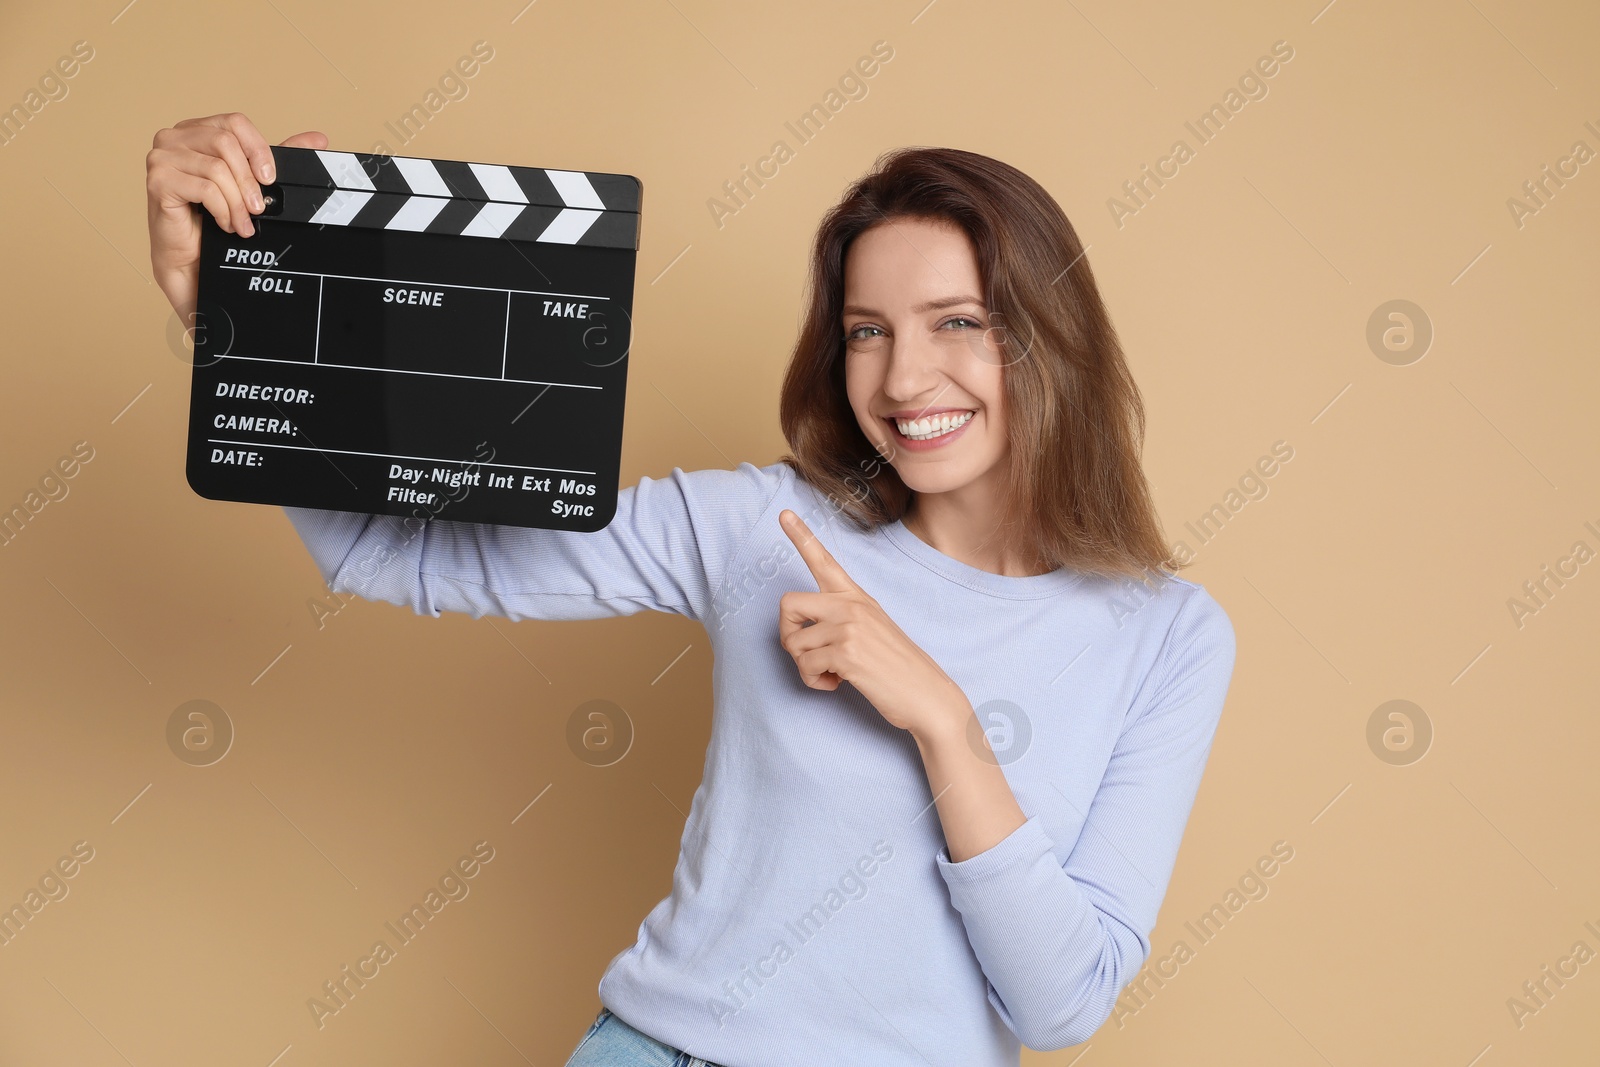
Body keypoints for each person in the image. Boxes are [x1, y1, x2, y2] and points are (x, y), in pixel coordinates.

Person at [147, 114, 1237, 1067]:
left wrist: (945, 724)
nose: (903, 379)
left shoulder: (1165, 635)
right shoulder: (763, 526)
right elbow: (396, 552)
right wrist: (244, 321)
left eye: (958, 321)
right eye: (868, 331)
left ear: (1048, 337)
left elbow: (1061, 1003)